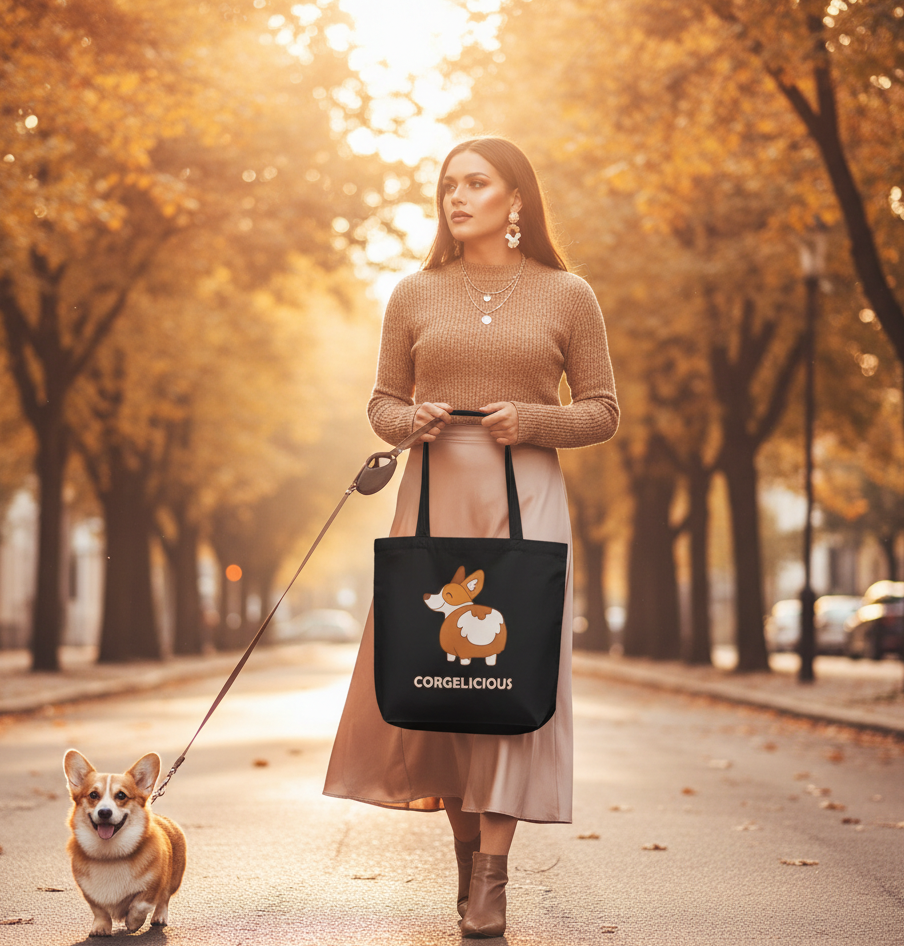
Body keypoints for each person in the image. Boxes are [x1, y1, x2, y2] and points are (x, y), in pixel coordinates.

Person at [323, 136, 619, 938]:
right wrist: (408, 420)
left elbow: (601, 410)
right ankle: (464, 863)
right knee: (440, 679)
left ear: (515, 199)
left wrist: (533, 421)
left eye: (477, 183)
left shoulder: (568, 294)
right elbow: (382, 403)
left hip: (525, 492)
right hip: (431, 493)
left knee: (509, 674)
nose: (457, 197)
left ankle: (493, 876)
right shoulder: (415, 293)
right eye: (448, 184)